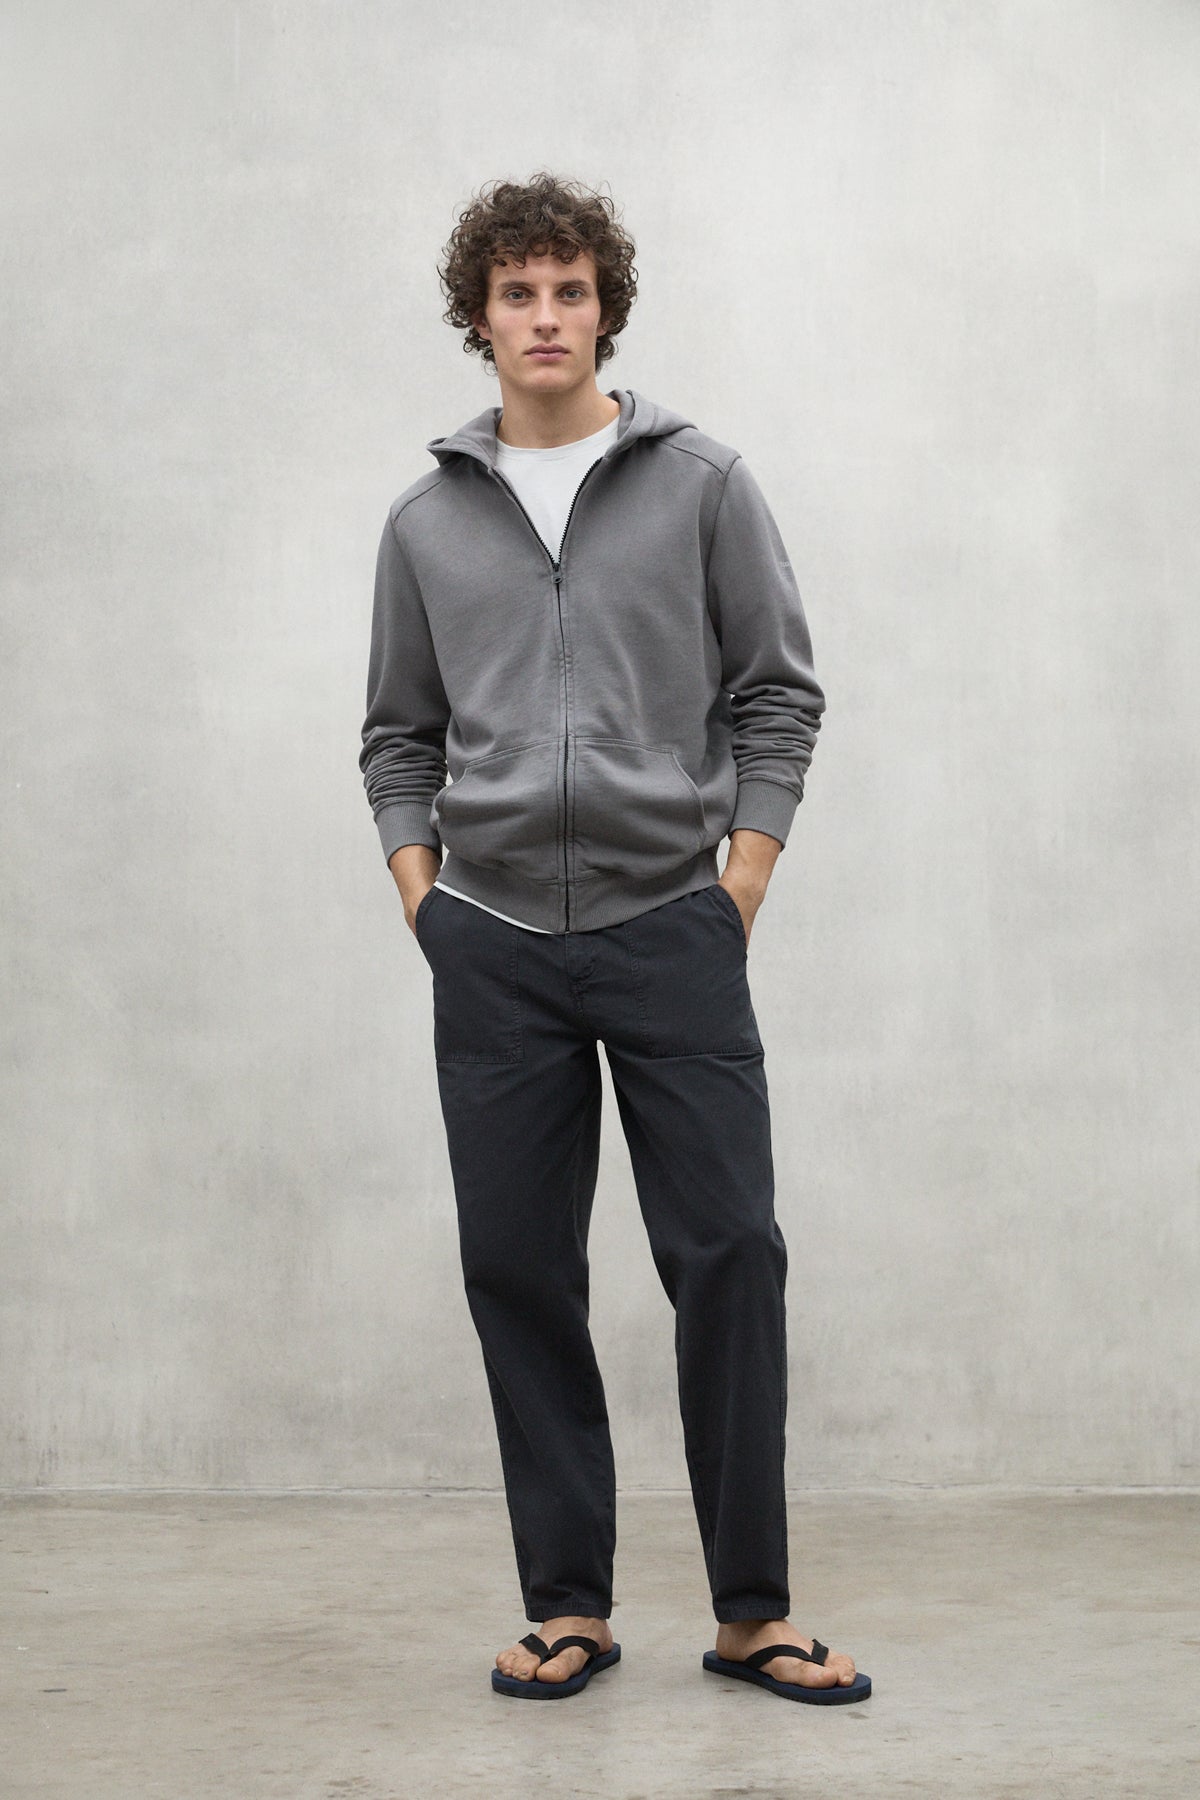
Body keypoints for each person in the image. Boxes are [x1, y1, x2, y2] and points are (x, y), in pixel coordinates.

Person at [359, 172, 869, 1706]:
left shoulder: (702, 483)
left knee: (731, 1255)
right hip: (495, 942)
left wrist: (741, 882)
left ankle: (753, 1613)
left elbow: (777, 693)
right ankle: (566, 1605)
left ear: (605, 309)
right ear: (479, 317)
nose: (545, 317)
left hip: (670, 927)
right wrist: (425, 898)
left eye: (569, 290)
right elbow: (397, 735)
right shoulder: (427, 521)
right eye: (517, 293)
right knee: (518, 1267)